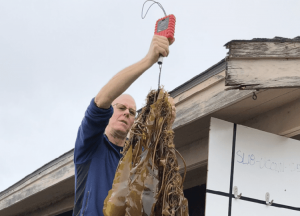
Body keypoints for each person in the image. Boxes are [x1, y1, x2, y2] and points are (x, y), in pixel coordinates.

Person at [73, 35, 176, 216]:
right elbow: (100, 101)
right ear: (109, 112)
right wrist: (148, 60)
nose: (126, 113)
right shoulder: (90, 146)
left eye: (132, 112)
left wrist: (166, 122)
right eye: (120, 108)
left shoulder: (136, 159)